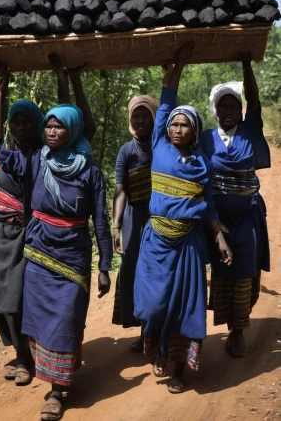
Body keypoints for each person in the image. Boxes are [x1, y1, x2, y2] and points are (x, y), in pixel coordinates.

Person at [0, 96, 113, 420]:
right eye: (47, 124)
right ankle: (56, 382)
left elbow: (100, 222)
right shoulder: (35, 159)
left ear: (73, 130)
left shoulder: (90, 173)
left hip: (73, 257)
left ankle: (56, 390)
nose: (51, 131)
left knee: (67, 321)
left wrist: (104, 266)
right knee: (42, 323)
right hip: (39, 254)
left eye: (59, 125)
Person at [133, 45, 232, 394]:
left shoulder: (202, 165)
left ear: (194, 130)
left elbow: (208, 207)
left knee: (186, 308)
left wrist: (219, 237)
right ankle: (158, 347)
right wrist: (177, 65)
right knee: (153, 303)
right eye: (173, 123)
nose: (176, 128)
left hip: (188, 244)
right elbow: (165, 101)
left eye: (183, 125)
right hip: (156, 240)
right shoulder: (158, 145)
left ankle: (178, 368)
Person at [201, 54, 270, 358]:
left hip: (248, 216)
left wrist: (246, 65)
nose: (228, 110)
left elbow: (254, 100)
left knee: (245, 270)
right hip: (217, 219)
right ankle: (228, 323)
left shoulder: (250, 131)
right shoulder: (205, 139)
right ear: (215, 110)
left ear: (241, 110)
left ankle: (238, 330)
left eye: (233, 105)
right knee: (222, 269)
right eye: (222, 106)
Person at [0, 64, 44, 385]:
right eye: (15, 121)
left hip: (26, 233)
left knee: (17, 297)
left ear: (35, 125)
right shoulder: (7, 151)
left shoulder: (41, 153)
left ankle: (25, 359)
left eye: (26, 121)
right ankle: (20, 352)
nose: (20, 126)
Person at [112, 94, 158, 350]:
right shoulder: (127, 151)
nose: (140, 121)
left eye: (145, 115)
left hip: (159, 218)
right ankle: (144, 332)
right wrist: (116, 225)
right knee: (133, 272)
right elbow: (121, 191)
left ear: (154, 117)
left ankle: (158, 331)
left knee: (157, 272)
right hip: (134, 218)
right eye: (135, 116)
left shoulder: (163, 145)